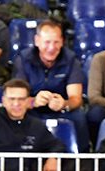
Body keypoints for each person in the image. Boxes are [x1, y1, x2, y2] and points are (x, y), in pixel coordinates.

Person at [12, 18, 89, 153]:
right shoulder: (23, 60)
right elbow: (17, 97)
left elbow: (76, 98)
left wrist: (64, 103)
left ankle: (82, 161)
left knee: (79, 116)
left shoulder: (71, 60)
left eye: (56, 42)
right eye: (47, 42)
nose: (52, 48)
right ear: (37, 41)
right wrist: (33, 101)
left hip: (60, 110)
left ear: (62, 42)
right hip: (32, 110)